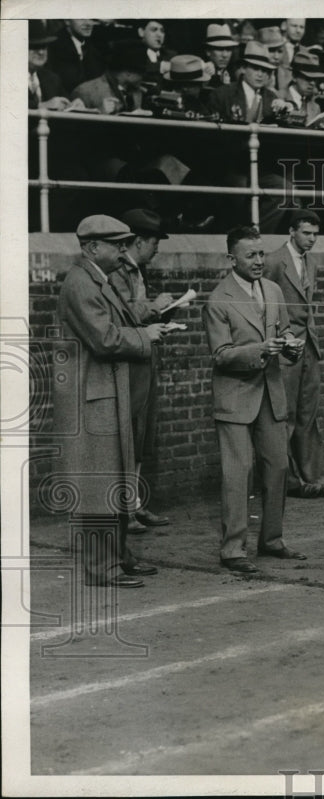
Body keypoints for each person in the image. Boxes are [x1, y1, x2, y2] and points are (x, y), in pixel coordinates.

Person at [53, 215, 167, 588]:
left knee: (112, 480)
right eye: (116, 244)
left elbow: (119, 326)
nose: (123, 250)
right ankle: (103, 567)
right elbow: (104, 339)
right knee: (98, 482)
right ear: (92, 247)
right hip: (93, 398)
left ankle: (119, 557)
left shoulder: (96, 279)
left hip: (105, 394)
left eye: (125, 243)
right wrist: (145, 336)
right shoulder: (82, 283)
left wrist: (143, 329)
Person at [203, 226, 307, 573]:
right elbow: (220, 354)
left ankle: (272, 540)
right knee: (238, 472)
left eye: (262, 254)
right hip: (235, 396)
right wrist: (261, 350)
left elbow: (286, 329)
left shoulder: (274, 289)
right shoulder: (219, 299)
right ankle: (232, 549)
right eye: (251, 255)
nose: (260, 261)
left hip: (271, 391)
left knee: (278, 466)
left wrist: (292, 345)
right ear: (232, 259)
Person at [263, 210, 324, 500]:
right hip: (285, 349)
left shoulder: (312, 262)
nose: (312, 239)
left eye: (316, 234)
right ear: (292, 232)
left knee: (309, 413)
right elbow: (263, 303)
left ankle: (315, 479)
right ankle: (286, 480)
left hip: (309, 346)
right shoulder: (272, 261)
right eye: (307, 233)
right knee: (285, 414)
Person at [110, 209, 177, 533]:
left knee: (140, 434)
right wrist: (155, 306)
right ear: (137, 241)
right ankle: (125, 507)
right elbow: (122, 314)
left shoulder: (135, 271)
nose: (156, 249)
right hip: (129, 361)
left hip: (142, 357)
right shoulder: (119, 272)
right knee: (129, 433)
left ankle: (132, 504)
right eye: (153, 242)